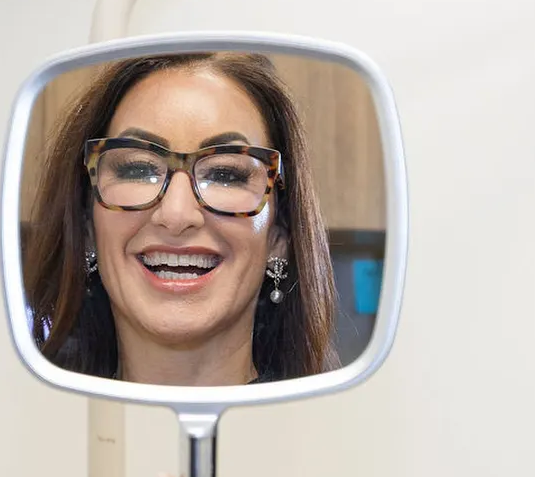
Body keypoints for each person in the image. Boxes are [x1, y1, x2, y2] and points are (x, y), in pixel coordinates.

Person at [24, 52, 338, 387]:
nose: (176, 215)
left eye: (224, 174)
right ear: (87, 227)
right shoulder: (20, 417)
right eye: (138, 169)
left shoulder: (340, 421)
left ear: (279, 236)